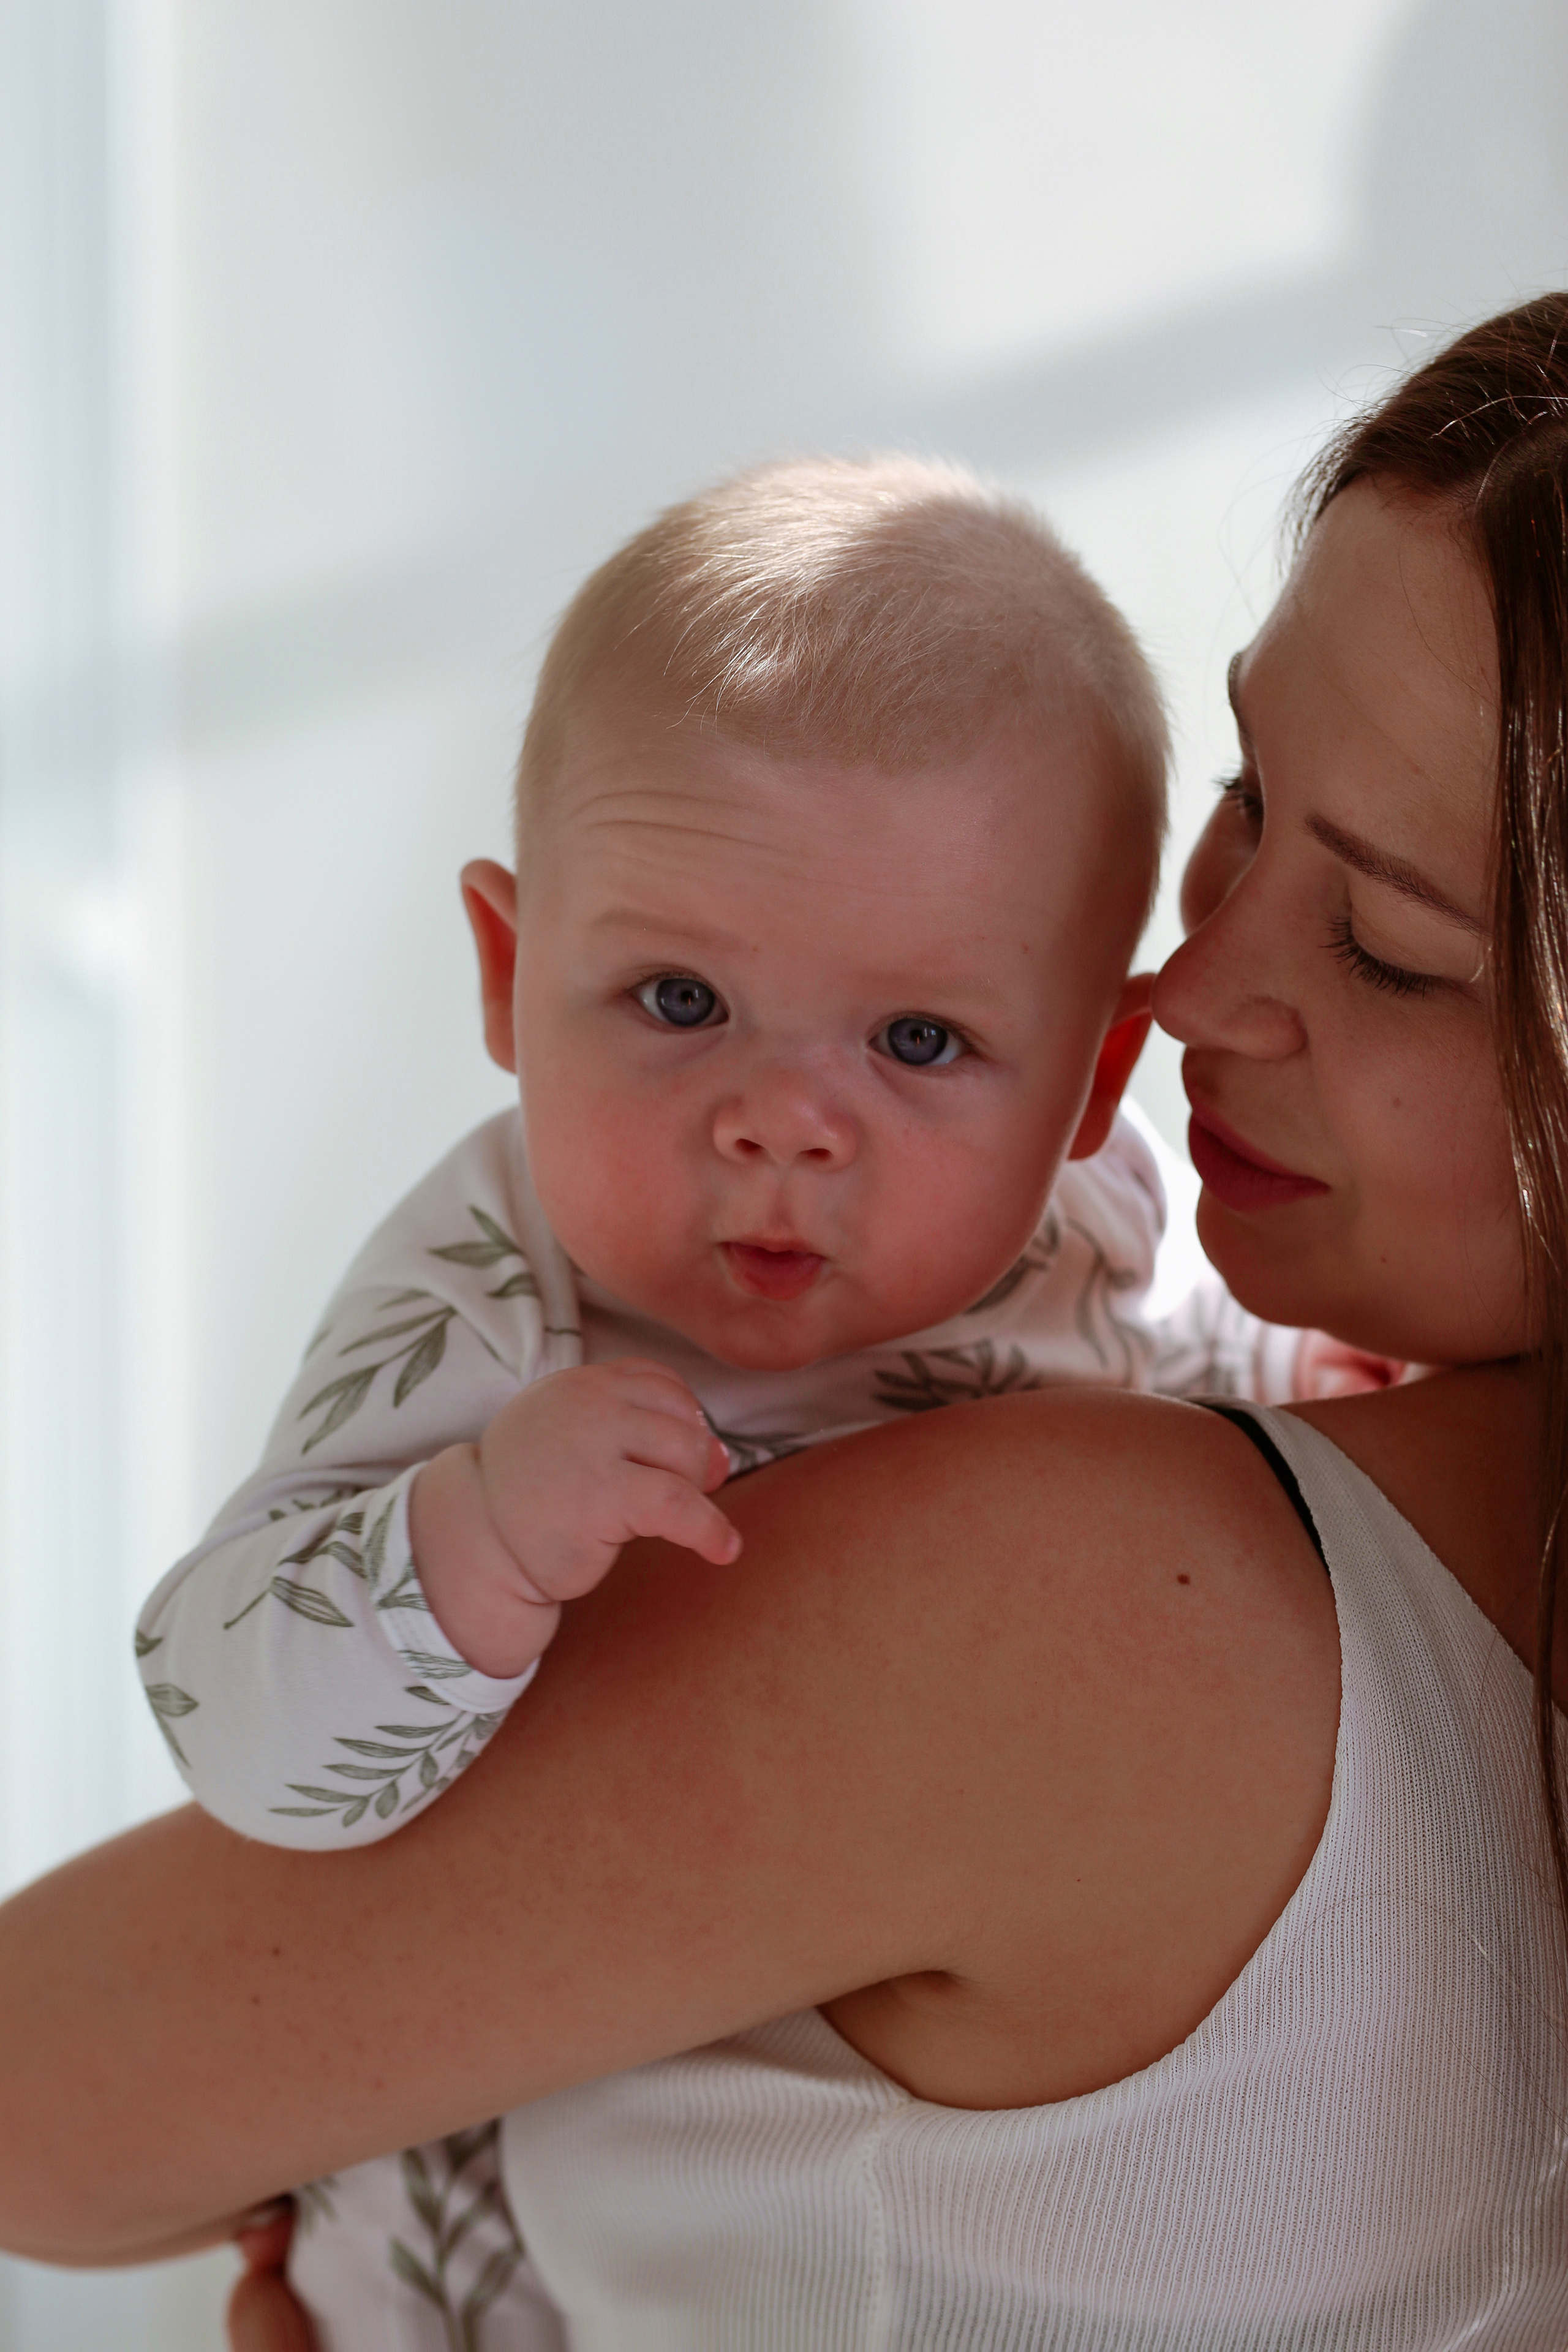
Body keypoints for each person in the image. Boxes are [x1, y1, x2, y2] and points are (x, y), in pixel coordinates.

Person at [1, 296, 1566, 2348]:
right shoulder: (556, 1306)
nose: (1182, 991)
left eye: (1384, 948)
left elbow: (45, 2098)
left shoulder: (1092, 1592)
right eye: (1253, 793)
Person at [137, 453, 1311, 2346]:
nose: (781, 1117)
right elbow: (221, 1714)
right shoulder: (495, 1294)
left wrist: (1303, 1390)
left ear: (1089, 1090)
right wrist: (471, 1540)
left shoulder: (1087, 1227)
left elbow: (1178, 1375)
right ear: (513, 980)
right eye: (679, 1000)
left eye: (922, 1041)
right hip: (492, 2249)